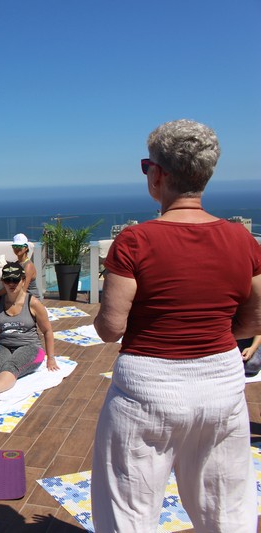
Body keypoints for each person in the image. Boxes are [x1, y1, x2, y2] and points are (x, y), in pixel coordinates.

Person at [91, 119, 261, 532]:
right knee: (227, 507)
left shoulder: (135, 241)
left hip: (147, 388)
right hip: (222, 383)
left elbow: (111, 327)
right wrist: (215, 327)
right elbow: (255, 318)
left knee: (130, 512)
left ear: (159, 174)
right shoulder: (244, 241)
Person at [0, 262, 58, 396]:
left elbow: (47, 331)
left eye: (15, 280)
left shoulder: (33, 303)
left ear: (23, 280)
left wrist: (51, 358)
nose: (11, 283)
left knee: (12, 365)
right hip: (3, 345)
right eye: (7, 280)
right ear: (2, 282)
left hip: (30, 346)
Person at [0, 233, 41, 309]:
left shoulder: (28, 266)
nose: (17, 249)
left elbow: (23, 289)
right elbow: (10, 286)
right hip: (18, 294)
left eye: (20, 246)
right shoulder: (16, 264)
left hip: (30, 298)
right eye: (15, 246)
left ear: (26, 248)